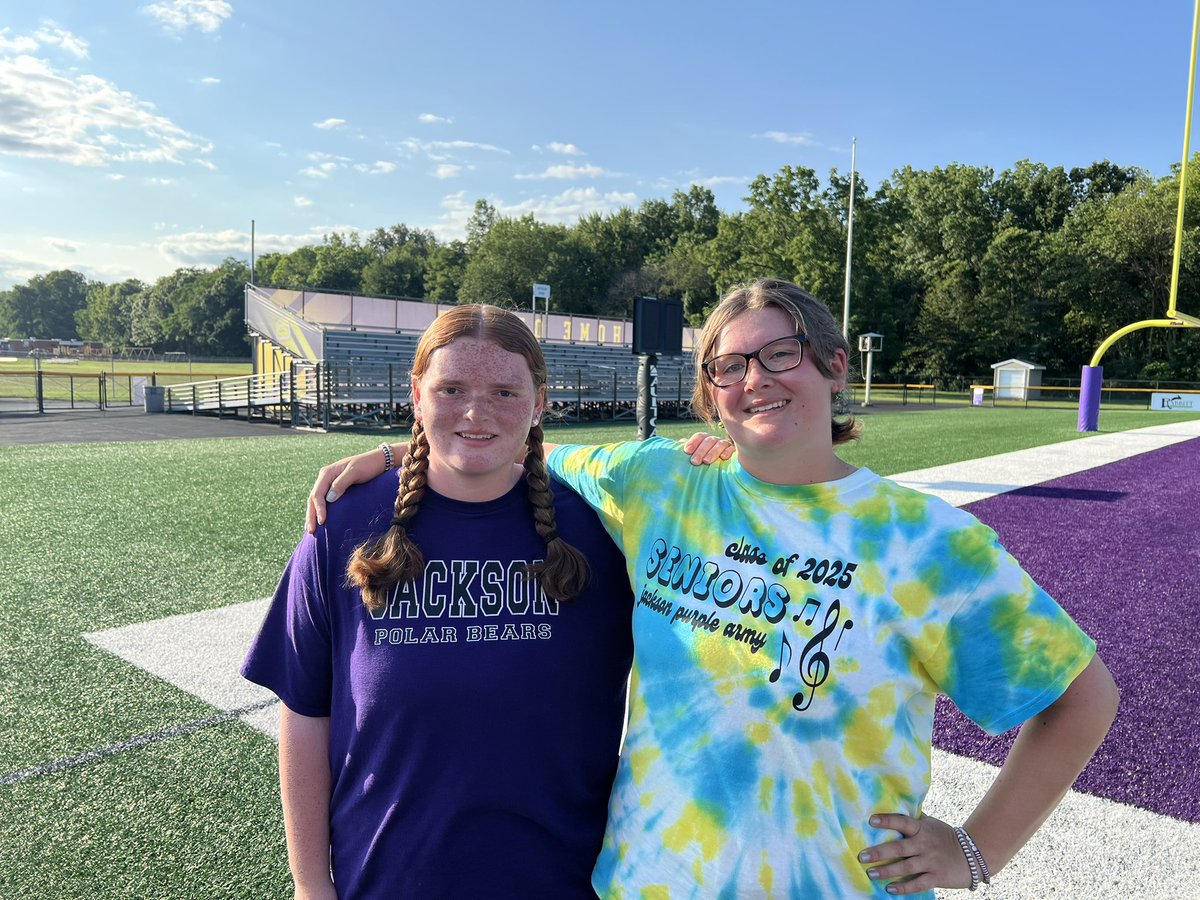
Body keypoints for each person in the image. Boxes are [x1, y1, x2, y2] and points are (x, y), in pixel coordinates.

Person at [308, 279, 1119, 898]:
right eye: (727, 366)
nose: (754, 379)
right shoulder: (660, 480)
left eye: (780, 353)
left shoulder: (926, 543)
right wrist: (395, 453)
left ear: (835, 366)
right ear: (709, 393)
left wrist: (975, 852)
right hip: (645, 880)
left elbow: (1082, 698)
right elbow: (501, 443)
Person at [243, 305, 648, 899]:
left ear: (540, 402)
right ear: (416, 394)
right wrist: (310, 884)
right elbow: (305, 714)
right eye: (450, 389)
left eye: (506, 391)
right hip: (383, 882)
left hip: (566, 881)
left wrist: (711, 457)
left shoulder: (606, 530)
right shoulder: (342, 524)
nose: (476, 413)